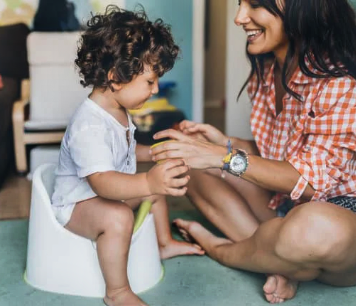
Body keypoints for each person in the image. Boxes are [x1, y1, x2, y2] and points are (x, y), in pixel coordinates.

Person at [150, 0, 356, 304]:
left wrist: (221, 157)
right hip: (285, 205)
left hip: (338, 220)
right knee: (184, 162)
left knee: (314, 227)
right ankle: (280, 263)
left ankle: (223, 250)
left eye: (255, 5)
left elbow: (310, 182)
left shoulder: (339, 82)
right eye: (239, 4)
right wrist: (224, 145)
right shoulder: (268, 69)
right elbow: (283, 153)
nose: (239, 18)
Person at [51, 6, 204, 306]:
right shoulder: (90, 124)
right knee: (120, 216)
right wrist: (148, 181)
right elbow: (103, 182)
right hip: (76, 204)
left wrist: (155, 153)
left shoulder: (118, 110)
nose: (156, 89)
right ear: (116, 78)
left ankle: (163, 243)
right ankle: (117, 292)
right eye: (150, 82)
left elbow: (124, 150)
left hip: (101, 194)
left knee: (154, 194)